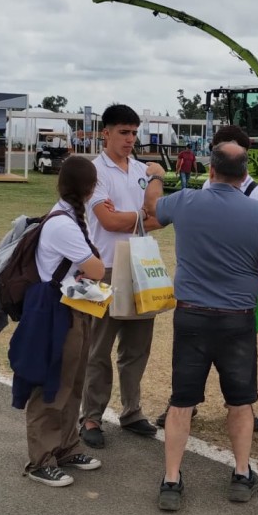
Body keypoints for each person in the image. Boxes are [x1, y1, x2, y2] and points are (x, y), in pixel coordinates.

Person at [144, 142, 258, 512]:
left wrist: (155, 175)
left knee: (182, 400)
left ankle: (171, 479)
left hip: (191, 315)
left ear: (211, 170)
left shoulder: (186, 201)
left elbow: (152, 208)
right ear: (245, 174)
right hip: (237, 318)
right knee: (240, 401)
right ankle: (240, 473)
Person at [155, 123, 258, 430]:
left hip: (234, 300)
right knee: (191, 369)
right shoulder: (202, 193)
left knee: (236, 369)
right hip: (203, 302)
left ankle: (241, 408)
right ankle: (186, 405)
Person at [9, 156, 106, 487]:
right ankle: (41, 459)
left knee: (73, 381)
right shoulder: (63, 223)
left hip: (73, 305)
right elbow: (96, 268)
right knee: (53, 383)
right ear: (91, 188)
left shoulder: (71, 217)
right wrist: (92, 264)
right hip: (56, 311)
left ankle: (65, 447)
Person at [79, 104, 165, 449]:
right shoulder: (94, 171)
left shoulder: (144, 170)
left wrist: (136, 213)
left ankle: (132, 411)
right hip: (105, 267)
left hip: (141, 265)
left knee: (137, 347)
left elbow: (160, 217)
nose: (130, 139)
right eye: (123, 132)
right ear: (106, 133)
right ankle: (91, 416)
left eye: (134, 133)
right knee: (97, 348)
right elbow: (108, 222)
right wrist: (142, 213)